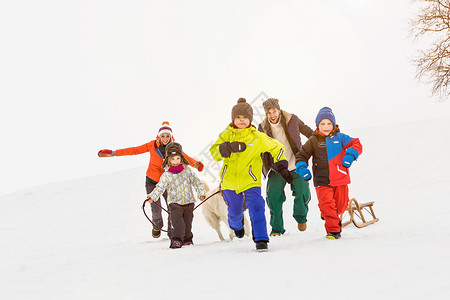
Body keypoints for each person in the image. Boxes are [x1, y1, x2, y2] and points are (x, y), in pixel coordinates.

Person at [209, 98, 291, 251]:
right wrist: (227, 147)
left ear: (250, 119)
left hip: (251, 181)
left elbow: (277, 147)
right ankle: (236, 225)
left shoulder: (258, 137)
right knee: (234, 212)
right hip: (230, 183)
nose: (242, 120)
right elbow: (214, 152)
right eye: (238, 118)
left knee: (257, 207)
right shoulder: (226, 135)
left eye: (245, 118)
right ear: (233, 119)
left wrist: (281, 164)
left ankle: (261, 239)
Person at [97, 121, 204, 238]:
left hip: (167, 182)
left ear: (171, 136)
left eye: (167, 136)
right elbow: (134, 150)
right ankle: (157, 224)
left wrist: (197, 164)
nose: (165, 138)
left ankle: (171, 231)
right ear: (158, 136)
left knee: (172, 207)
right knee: (155, 207)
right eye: (162, 136)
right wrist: (113, 153)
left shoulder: (173, 148)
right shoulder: (152, 145)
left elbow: (185, 157)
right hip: (151, 181)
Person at [295, 107, 362, 239]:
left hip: (340, 178)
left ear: (333, 124)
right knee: (327, 205)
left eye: (329, 124)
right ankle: (333, 231)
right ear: (318, 125)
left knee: (341, 206)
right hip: (321, 180)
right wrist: (302, 169)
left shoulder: (341, 137)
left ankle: (328, 213)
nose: (326, 127)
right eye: (322, 124)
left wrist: (350, 155)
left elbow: (356, 143)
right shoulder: (313, 141)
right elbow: (301, 156)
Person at [258, 98, 314, 236]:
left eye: (274, 111)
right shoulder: (263, 127)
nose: (272, 115)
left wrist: (323, 138)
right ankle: (277, 229)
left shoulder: (292, 119)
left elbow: (308, 132)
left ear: (279, 109)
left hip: (296, 164)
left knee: (302, 192)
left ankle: (301, 217)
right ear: (266, 113)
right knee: (273, 197)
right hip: (276, 168)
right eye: (269, 112)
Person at [145, 142, 206, 249]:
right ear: (168, 160)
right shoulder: (167, 174)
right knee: (177, 223)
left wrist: (201, 193)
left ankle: (187, 240)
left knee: (188, 223)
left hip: (188, 202)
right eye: (173, 159)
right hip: (174, 203)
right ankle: (176, 240)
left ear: (181, 158)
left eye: (178, 158)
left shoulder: (188, 171)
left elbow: (197, 182)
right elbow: (160, 187)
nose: (175, 161)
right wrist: (152, 197)